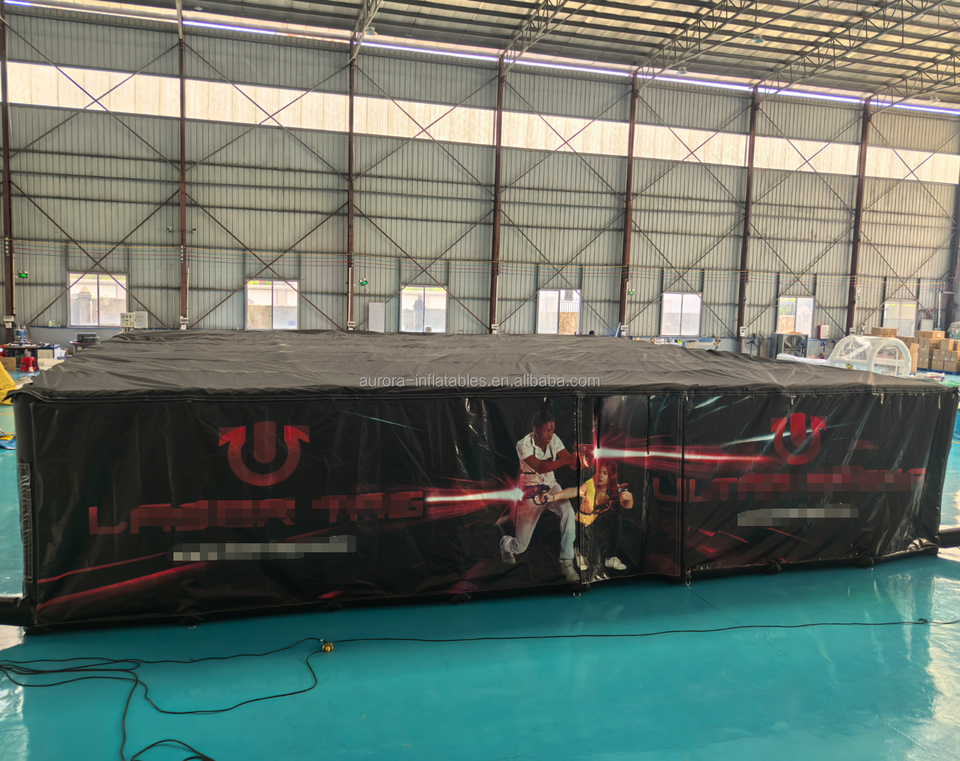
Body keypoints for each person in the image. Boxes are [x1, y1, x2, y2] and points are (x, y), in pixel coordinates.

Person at [500, 411, 583, 582]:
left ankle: (567, 562)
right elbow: (539, 467)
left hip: (551, 487)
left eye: (552, 431)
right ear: (535, 430)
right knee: (520, 546)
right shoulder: (523, 444)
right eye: (547, 431)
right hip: (530, 492)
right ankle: (505, 543)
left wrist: (579, 458)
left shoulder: (554, 439)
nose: (550, 435)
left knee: (568, 512)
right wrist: (567, 460)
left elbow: (573, 465)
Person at [544, 460, 633, 573]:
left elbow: (627, 506)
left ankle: (610, 558)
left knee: (616, 518)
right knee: (590, 544)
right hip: (580, 523)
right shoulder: (590, 484)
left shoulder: (615, 489)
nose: (600, 476)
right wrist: (553, 497)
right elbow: (574, 491)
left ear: (613, 475)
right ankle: (578, 550)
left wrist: (629, 498)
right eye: (599, 472)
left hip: (595, 524)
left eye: (605, 473)